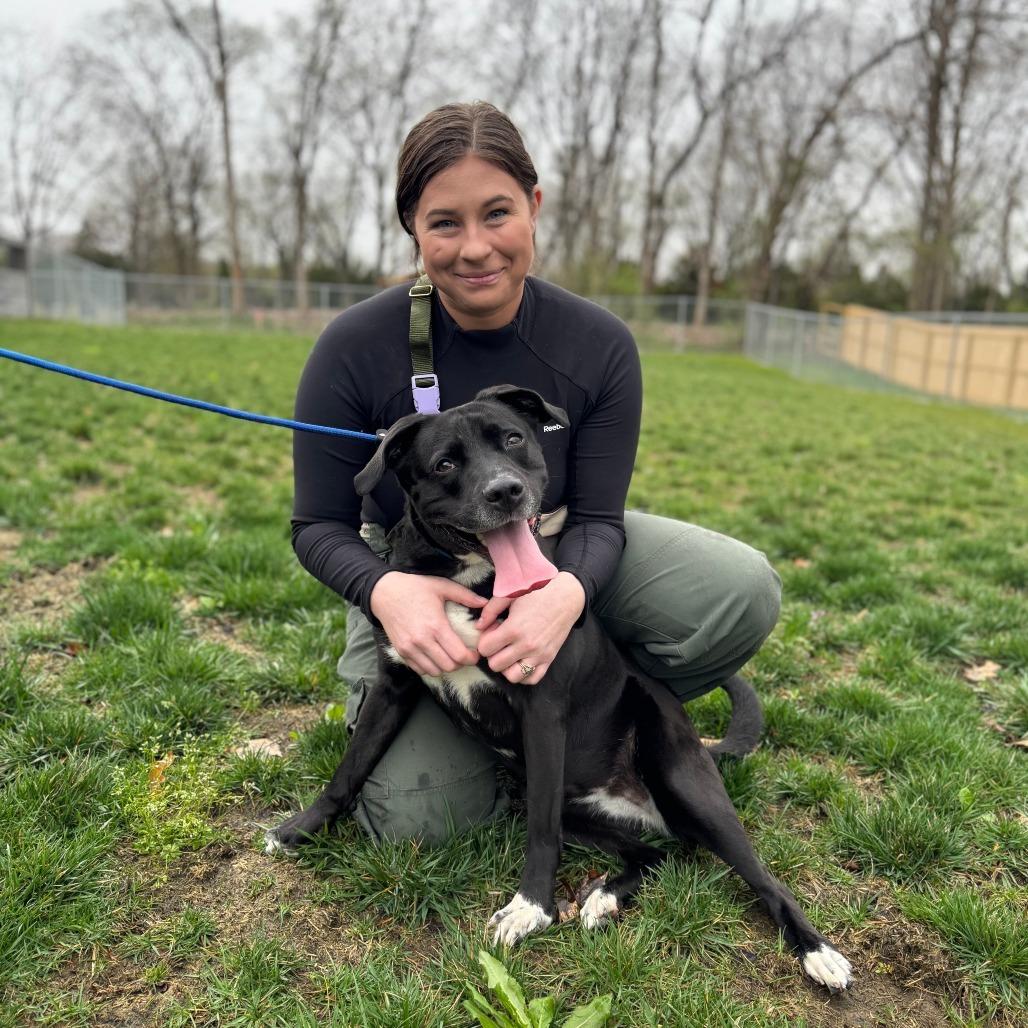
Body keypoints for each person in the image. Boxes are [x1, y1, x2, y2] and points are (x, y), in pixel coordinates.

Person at [291, 101, 780, 843]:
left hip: (556, 543)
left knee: (741, 590)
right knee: (420, 822)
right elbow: (317, 524)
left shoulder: (598, 344)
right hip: (420, 574)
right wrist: (385, 592)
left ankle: (589, 718)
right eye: (444, 223)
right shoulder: (353, 345)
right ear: (413, 229)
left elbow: (600, 519)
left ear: (535, 206)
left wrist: (565, 596)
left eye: (498, 213)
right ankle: (495, 728)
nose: (475, 247)